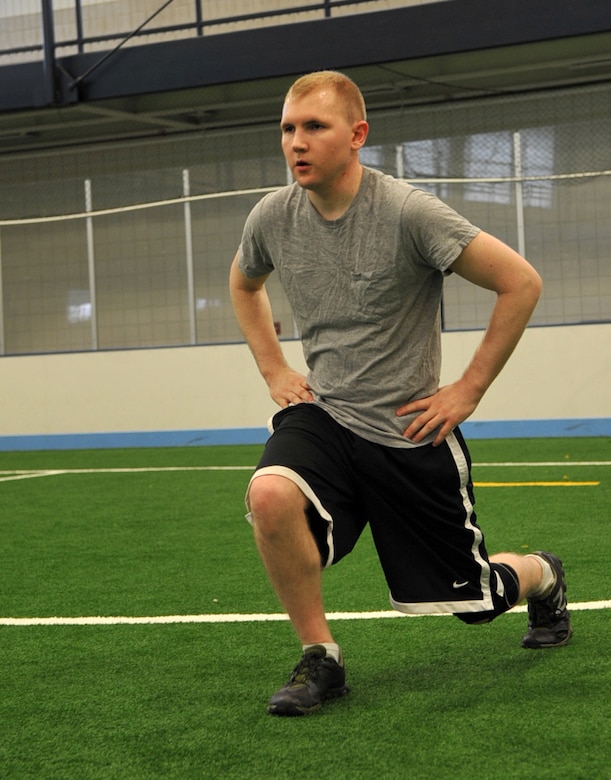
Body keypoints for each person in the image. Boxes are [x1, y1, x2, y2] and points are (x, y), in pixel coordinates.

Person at [229, 70, 572, 717]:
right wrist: (273, 369)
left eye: (313, 127)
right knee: (270, 493)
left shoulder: (408, 212)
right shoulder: (271, 217)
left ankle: (540, 573)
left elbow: (518, 282)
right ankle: (320, 657)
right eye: (286, 128)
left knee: (475, 601)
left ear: (356, 135)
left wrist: (466, 389)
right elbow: (244, 285)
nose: (295, 142)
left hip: (407, 433)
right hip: (325, 415)